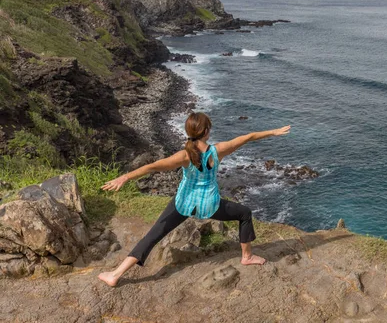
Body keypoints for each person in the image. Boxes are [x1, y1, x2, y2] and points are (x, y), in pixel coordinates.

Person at [97, 112, 291, 287]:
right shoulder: (218, 151)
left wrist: (124, 177)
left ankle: (116, 274)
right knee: (244, 213)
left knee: (153, 236)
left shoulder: (184, 156)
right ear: (206, 131)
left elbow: (152, 166)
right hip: (209, 205)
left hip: (184, 204)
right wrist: (274, 132)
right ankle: (247, 257)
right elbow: (247, 137)